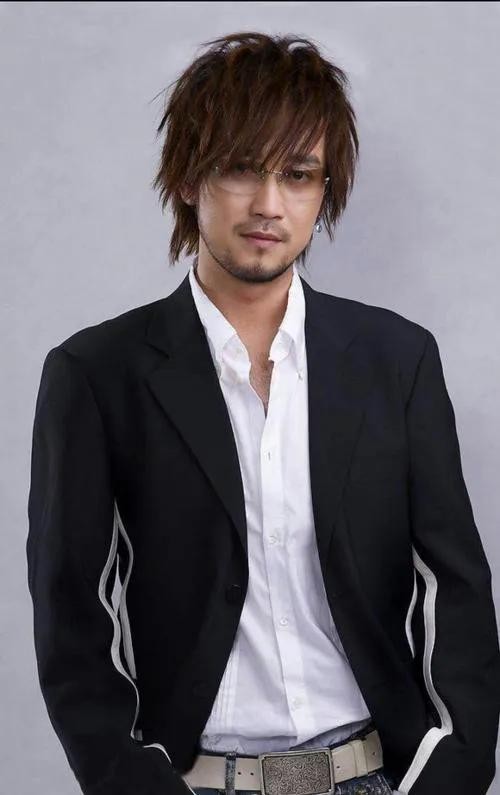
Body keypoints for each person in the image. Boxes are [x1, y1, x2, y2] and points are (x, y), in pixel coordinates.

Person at [26, 30, 500, 795]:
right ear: (189, 177)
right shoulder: (98, 374)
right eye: (241, 167)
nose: (269, 204)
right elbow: (73, 615)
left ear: (324, 190)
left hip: (374, 775)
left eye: (299, 174)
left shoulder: (396, 360)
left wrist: (452, 772)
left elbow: (457, 588)